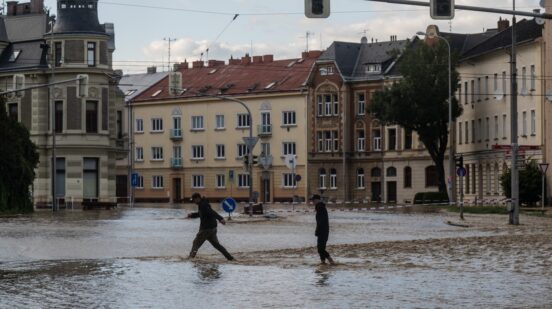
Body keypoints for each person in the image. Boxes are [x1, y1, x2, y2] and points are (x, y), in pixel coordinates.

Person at [187, 192, 235, 261]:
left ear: (197, 198)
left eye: (194, 200)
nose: (193, 202)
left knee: (196, 243)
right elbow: (202, 213)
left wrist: (220, 218)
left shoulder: (203, 205)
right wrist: (192, 215)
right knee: (217, 246)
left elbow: (211, 212)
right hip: (212, 229)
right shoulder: (203, 204)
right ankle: (230, 258)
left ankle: (191, 259)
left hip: (206, 229)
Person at [311, 194, 335, 265]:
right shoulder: (320, 206)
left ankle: (330, 259)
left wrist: (317, 230)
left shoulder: (320, 207)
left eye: (313, 200)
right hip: (324, 230)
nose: (312, 202)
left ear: (317, 200)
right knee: (321, 247)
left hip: (323, 230)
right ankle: (323, 261)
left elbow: (321, 221)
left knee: (320, 248)